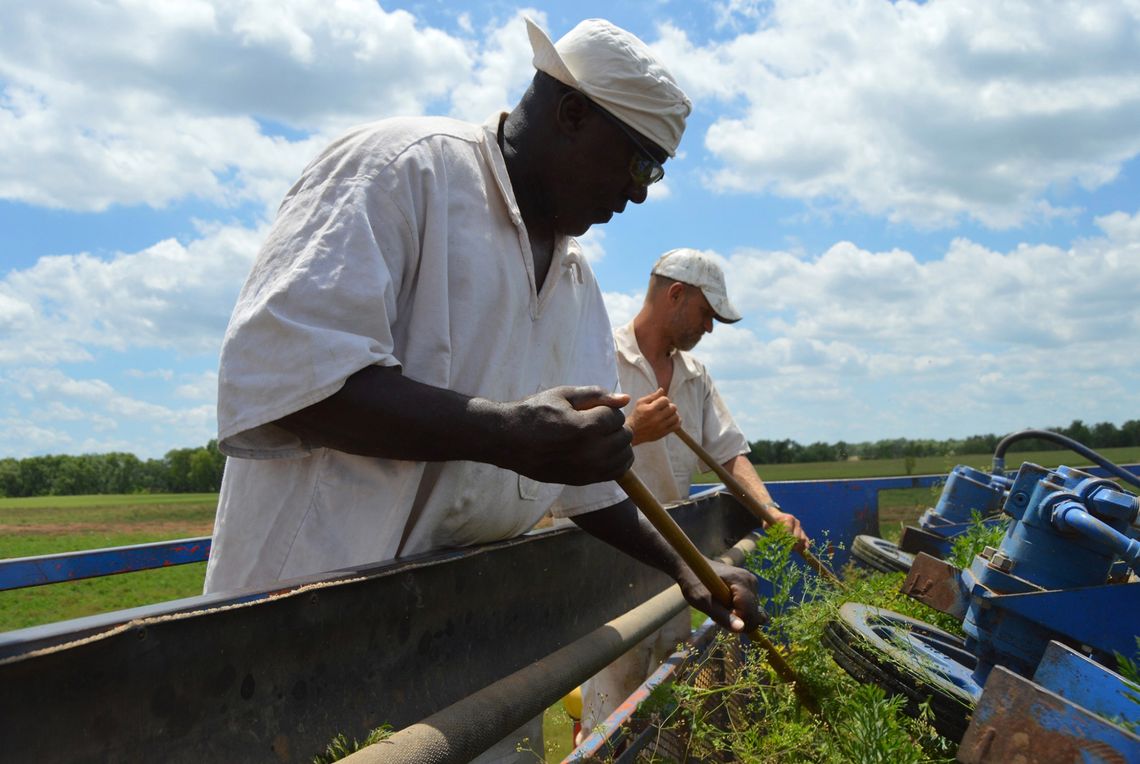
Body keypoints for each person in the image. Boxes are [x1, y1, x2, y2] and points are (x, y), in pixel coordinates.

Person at [203, 17, 764, 763]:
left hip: (460, 648)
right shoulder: (404, 171)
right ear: (571, 113)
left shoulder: (574, 282)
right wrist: (505, 432)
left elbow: (595, 484)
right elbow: (290, 378)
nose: (637, 197)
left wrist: (687, 567)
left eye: (652, 175)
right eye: (637, 165)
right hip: (299, 648)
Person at [576, 248, 808, 743]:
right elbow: (571, 451)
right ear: (675, 295)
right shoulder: (598, 356)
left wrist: (769, 511)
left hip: (677, 565)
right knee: (613, 719)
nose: (709, 328)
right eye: (706, 314)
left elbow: (729, 454)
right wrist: (631, 431)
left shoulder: (695, 377)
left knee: (678, 716)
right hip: (613, 559)